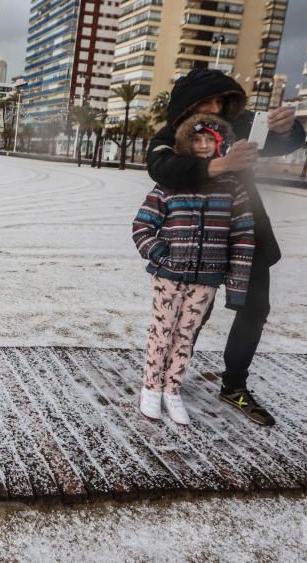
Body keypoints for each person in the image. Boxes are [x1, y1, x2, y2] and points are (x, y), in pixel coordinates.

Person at [146, 68, 305, 426]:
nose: (215, 107)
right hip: (195, 241)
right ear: (186, 106)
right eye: (206, 100)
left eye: (220, 99)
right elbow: (160, 166)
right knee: (189, 316)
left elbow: (288, 141)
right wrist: (221, 164)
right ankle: (169, 380)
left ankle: (234, 385)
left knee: (254, 309)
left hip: (248, 237)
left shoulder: (243, 124)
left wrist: (285, 128)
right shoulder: (171, 134)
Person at [133, 115, 255, 425]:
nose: (202, 145)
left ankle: (172, 390)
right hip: (169, 275)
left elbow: (242, 237)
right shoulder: (169, 183)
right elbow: (142, 225)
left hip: (207, 278)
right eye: (196, 140)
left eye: (209, 140)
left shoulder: (233, 188)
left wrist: (236, 286)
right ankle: (151, 389)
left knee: (185, 335)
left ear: (220, 144)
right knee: (162, 332)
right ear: (187, 143)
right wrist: (162, 256)